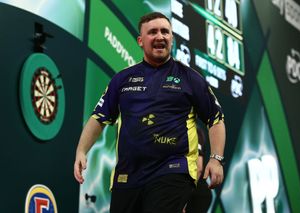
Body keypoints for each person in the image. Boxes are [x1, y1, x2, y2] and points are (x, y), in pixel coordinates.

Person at [74, 12, 226, 213]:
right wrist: (81, 150)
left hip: (172, 171)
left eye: (165, 32)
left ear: (172, 38)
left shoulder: (191, 78)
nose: (160, 36)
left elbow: (216, 119)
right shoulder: (122, 80)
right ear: (140, 40)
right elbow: (99, 117)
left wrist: (215, 159)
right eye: (152, 32)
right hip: (127, 176)